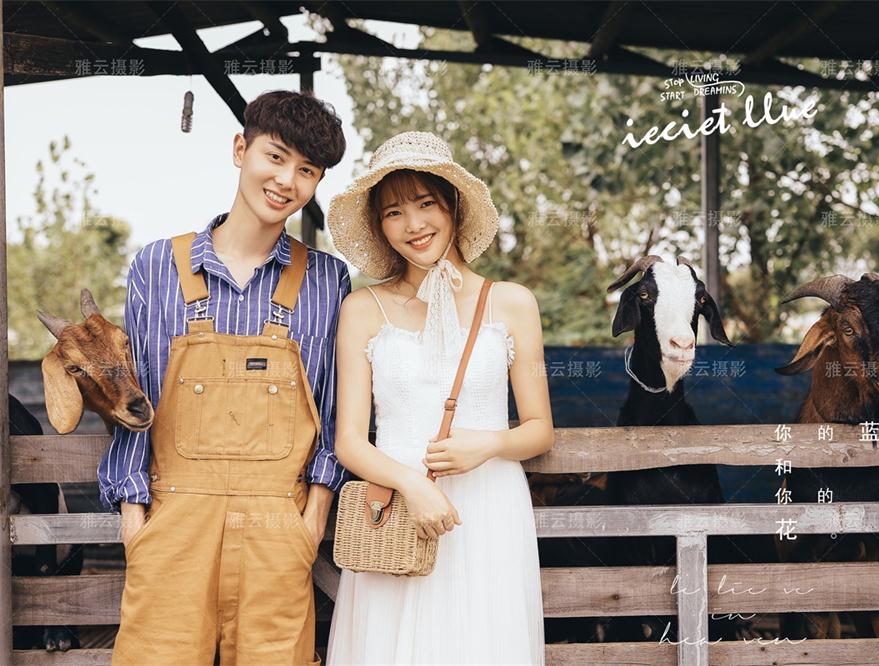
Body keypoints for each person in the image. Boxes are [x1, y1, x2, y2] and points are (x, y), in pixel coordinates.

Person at [98, 90, 350, 665]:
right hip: (172, 523)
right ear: (241, 149)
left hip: (278, 528)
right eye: (275, 157)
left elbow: (335, 409)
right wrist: (135, 518)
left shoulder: (328, 280)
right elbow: (132, 399)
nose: (286, 180)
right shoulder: (157, 266)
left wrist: (313, 518)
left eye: (307, 170)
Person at [325, 131, 553, 664]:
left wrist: (490, 444)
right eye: (394, 212)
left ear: (452, 205)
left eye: (425, 204)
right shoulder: (363, 308)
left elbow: (540, 428)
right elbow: (349, 441)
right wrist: (410, 484)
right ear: (380, 226)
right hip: (395, 508)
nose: (413, 224)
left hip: (489, 508)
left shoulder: (512, 302)